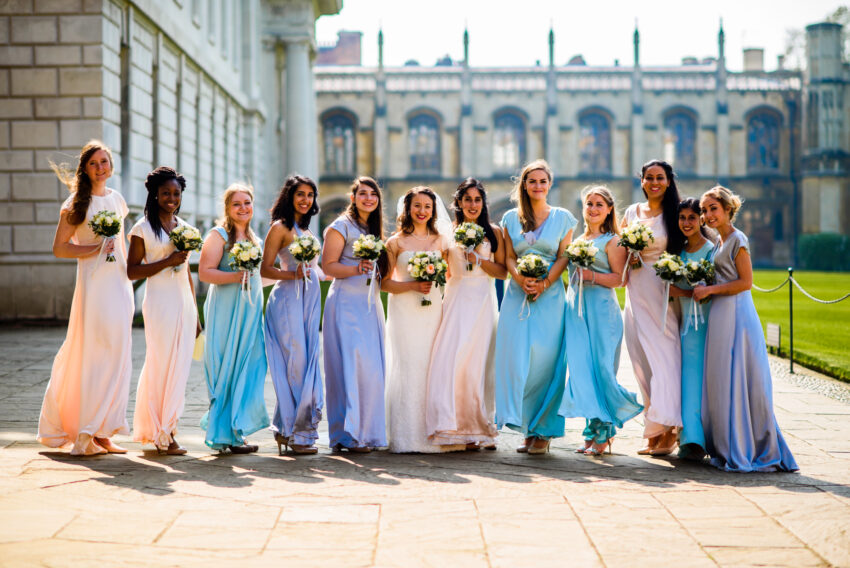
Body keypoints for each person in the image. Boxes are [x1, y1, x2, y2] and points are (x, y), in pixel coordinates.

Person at [37, 140, 134, 456]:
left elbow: (120, 246)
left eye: (104, 161)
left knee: (118, 354)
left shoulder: (118, 201)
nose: (100, 167)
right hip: (93, 289)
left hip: (119, 285)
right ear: (85, 168)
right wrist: (93, 249)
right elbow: (60, 248)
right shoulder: (75, 204)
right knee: (94, 353)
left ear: (111, 165)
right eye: (94, 163)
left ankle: (105, 431)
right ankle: (85, 430)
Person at [693, 186, 798, 472]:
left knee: (740, 374)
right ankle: (727, 442)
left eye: (713, 208)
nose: (707, 215)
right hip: (720, 313)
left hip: (737, 313)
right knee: (722, 377)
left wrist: (709, 289)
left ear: (728, 209)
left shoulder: (738, 238)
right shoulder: (717, 242)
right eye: (704, 210)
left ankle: (750, 445)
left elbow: (745, 282)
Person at [494, 159, 576, 455]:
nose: (538, 186)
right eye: (532, 181)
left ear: (549, 184)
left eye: (543, 181)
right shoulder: (509, 219)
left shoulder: (564, 218)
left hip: (550, 297)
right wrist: (520, 280)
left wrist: (544, 283)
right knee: (517, 362)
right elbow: (508, 258)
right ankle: (526, 424)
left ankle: (543, 431)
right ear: (524, 186)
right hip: (517, 296)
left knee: (546, 362)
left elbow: (565, 257)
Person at [559, 186, 643, 456]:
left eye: (598, 204)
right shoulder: (578, 238)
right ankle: (590, 432)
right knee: (583, 371)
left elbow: (620, 279)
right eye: (588, 204)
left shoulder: (613, 241)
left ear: (609, 210)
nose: (593, 209)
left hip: (602, 311)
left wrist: (591, 277)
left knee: (602, 370)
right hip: (576, 310)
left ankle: (605, 432)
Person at [426, 178, 506, 450]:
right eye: (467, 199)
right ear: (458, 202)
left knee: (479, 364)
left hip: (483, 300)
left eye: (477, 199)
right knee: (454, 362)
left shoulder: (494, 232)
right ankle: (458, 426)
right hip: (457, 299)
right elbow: (444, 271)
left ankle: (480, 426)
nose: (472, 204)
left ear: (483, 203)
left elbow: (503, 272)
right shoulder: (447, 234)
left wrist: (480, 261)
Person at [127, 166, 200, 455]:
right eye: (166, 193)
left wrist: (195, 312)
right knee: (160, 363)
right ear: (155, 195)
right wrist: (166, 261)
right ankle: (161, 432)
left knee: (180, 368)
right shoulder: (142, 229)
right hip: (159, 303)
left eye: (176, 194)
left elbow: (186, 275)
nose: (171, 198)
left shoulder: (185, 228)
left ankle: (168, 427)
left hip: (183, 302)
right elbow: (132, 271)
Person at [383, 186, 461, 453]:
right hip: (404, 311)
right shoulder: (394, 243)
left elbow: (453, 277)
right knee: (407, 366)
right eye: (417, 205)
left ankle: (432, 433)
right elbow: (384, 284)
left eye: (427, 206)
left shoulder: (442, 241)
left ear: (433, 210)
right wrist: (412, 286)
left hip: (433, 312)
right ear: (408, 209)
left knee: (431, 367)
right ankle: (405, 435)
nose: (422, 211)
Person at [197, 183, 269, 453]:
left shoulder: (255, 239)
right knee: (226, 366)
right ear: (227, 208)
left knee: (248, 367)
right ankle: (223, 434)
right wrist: (235, 276)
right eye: (237, 204)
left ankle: (237, 430)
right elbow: (205, 272)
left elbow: (260, 277)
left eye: (247, 203)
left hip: (249, 312)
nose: (243, 208)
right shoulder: (218, 235)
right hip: (226, 309)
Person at [321, 176, 388, 453]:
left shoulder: (373, 229)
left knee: (371, 369)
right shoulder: (340, 227)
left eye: (373, 194)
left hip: (370, 304)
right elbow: (329, 266)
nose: (368, 198)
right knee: (350, 366)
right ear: (353, 198)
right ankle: (348, 434)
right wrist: (356, 269)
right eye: (363, 194)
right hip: (346, 303)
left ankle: (369, 431)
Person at [622, 159, 684, 456]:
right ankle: (654, 426)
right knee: (641, 360)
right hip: (635, 290)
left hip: (663, 291)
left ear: (669, 181)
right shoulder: (631, 212)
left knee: (665, 359)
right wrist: (630, 257)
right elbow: (620, 252)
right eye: (649, 177)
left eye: (660, 177)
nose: (654, 182)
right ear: (642, 180)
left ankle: (670, 427)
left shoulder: (677, 213)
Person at [261, 175, 323, 455]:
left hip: (308, 300)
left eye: (310, 195)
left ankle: (286, 428)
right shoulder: (281, 227)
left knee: (307, 362)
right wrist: (291, 273)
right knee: (296, 363)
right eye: (300, 194)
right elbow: (265, 269)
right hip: (287, 299)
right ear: (290, 196)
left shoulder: (307, 231)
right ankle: (297, 432)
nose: (305, 199)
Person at [668, 198, 715, 460]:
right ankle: (689, 438)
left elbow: (709, 293)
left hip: (706, 323)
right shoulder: (679, 252)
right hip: (685, 322)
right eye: (682, 217)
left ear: (701, 220)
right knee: (687, 380)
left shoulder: (711, 250)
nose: (686, 223)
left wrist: (681, 291)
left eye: (692, 217)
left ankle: (704, 438)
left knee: (702, 379)